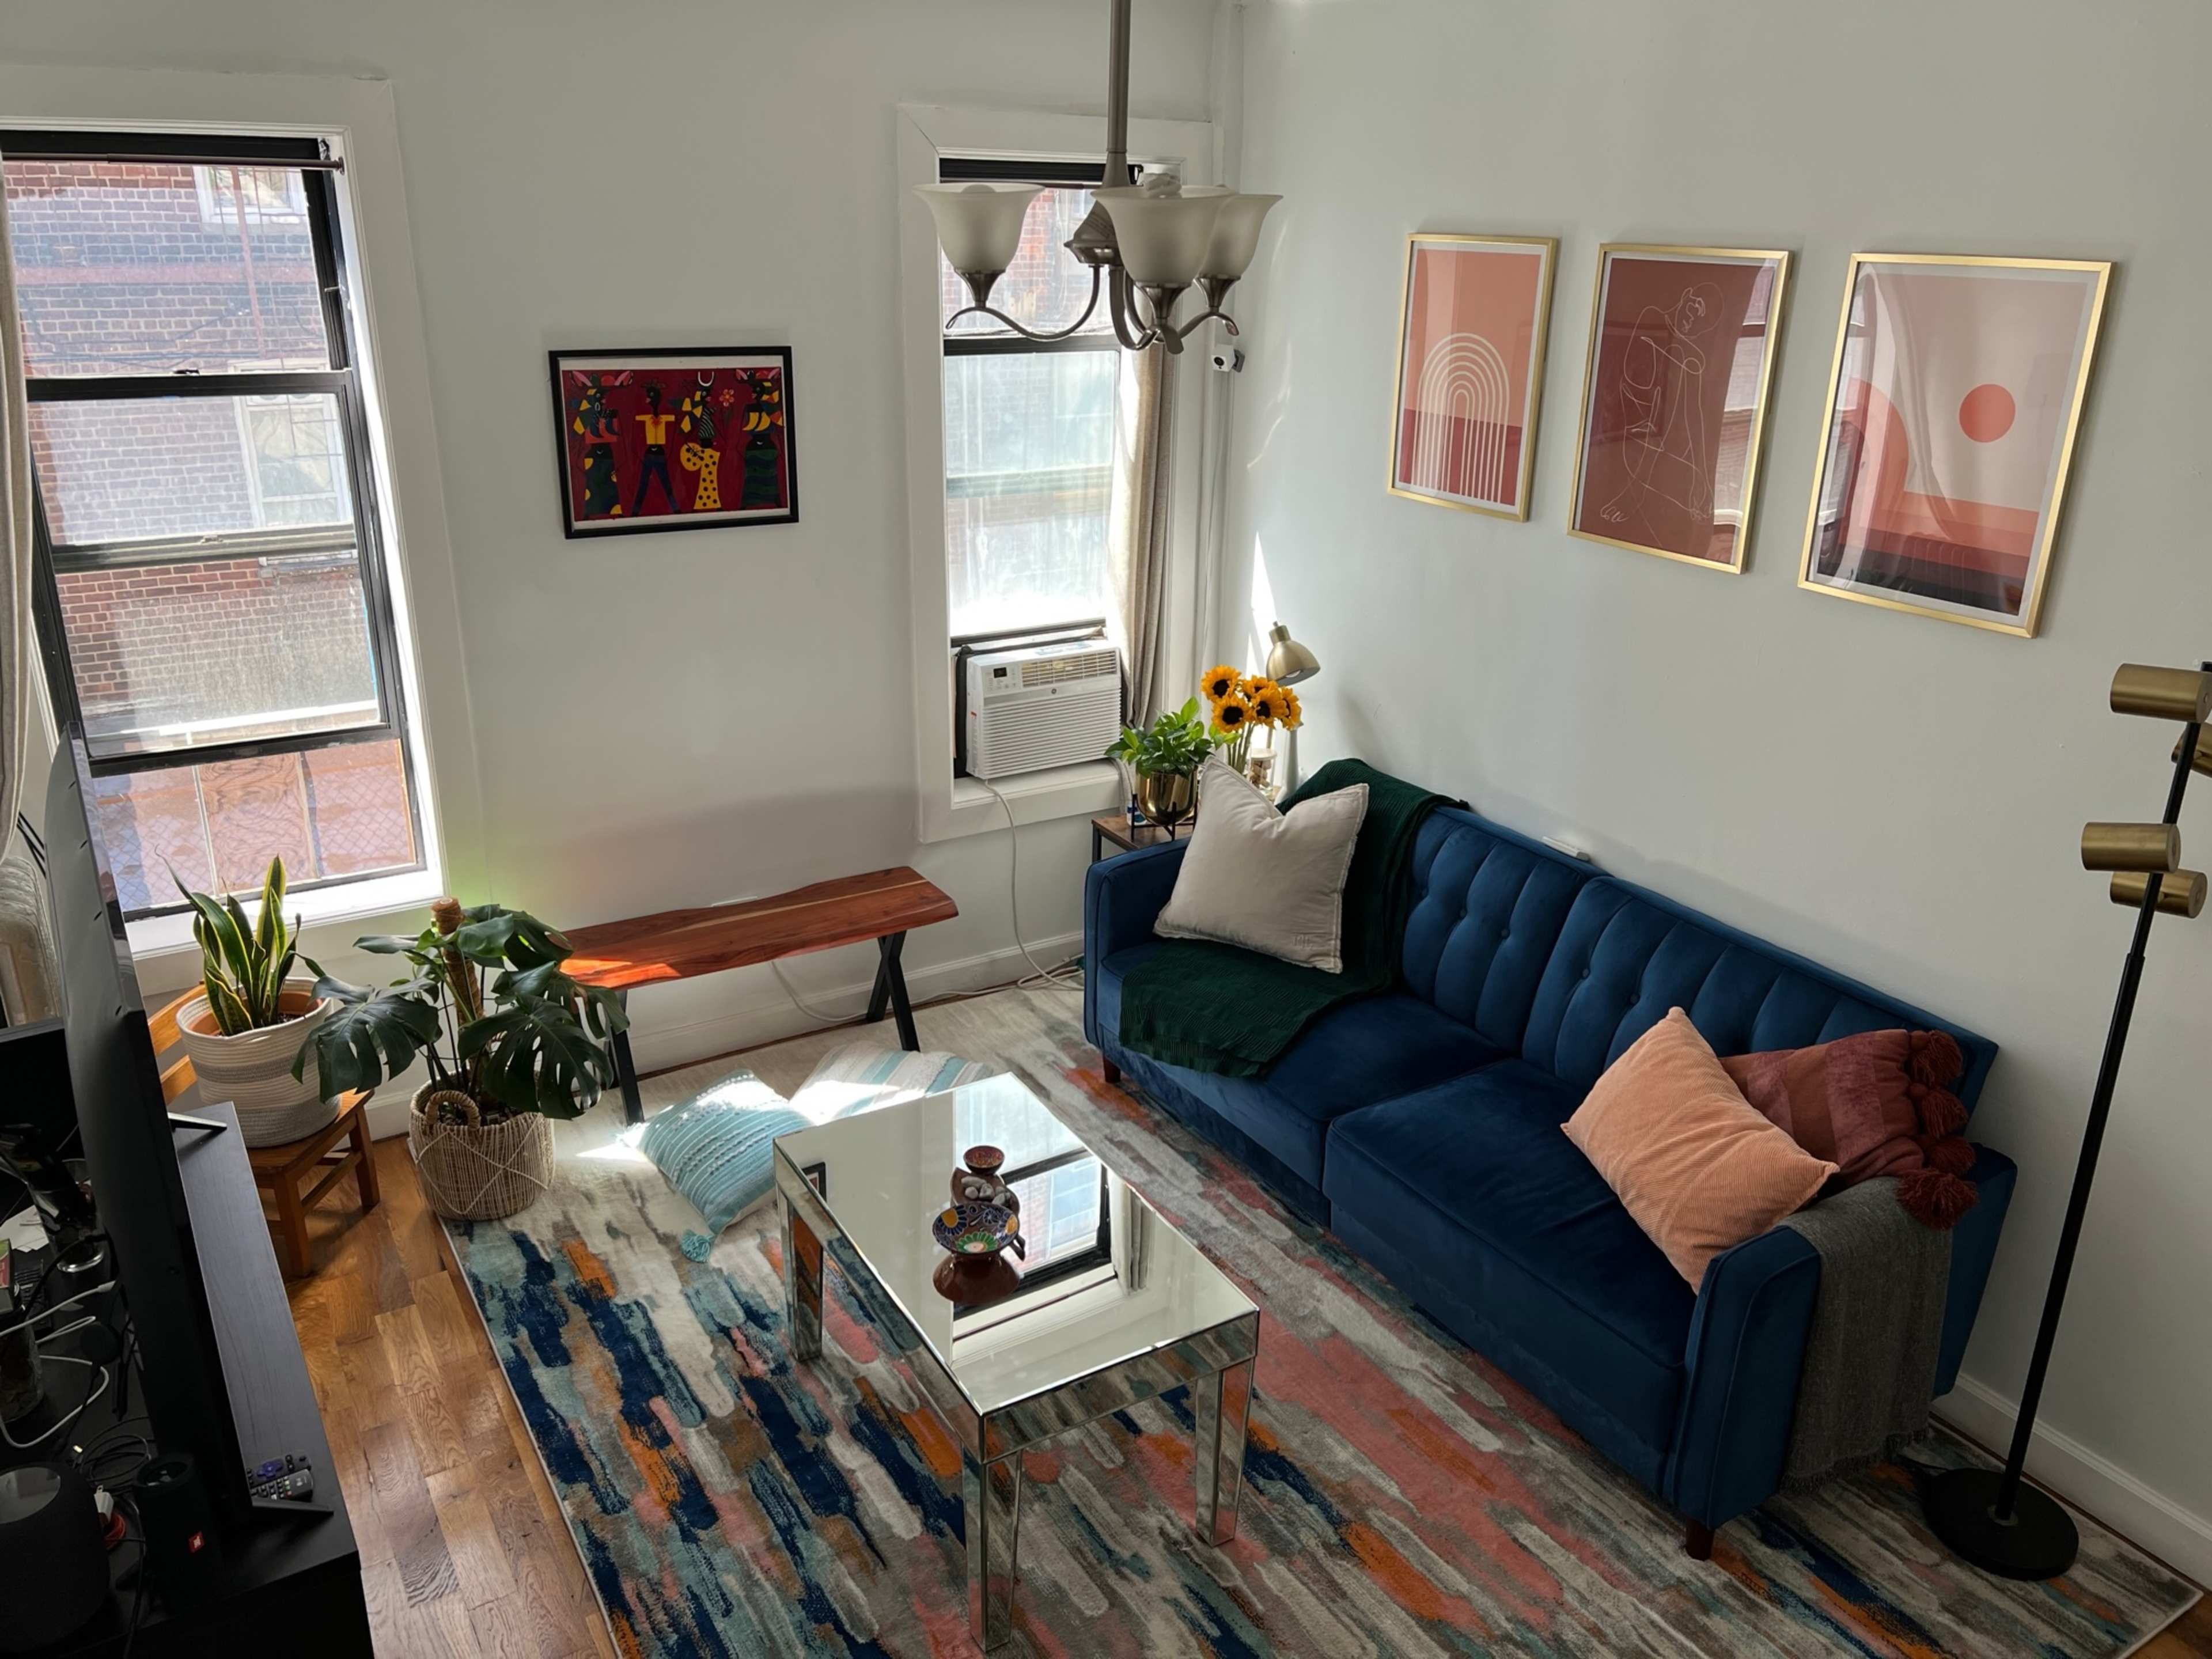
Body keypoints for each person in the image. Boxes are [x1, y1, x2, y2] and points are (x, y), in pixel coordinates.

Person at [632, 382, 677, 513]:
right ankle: (635, 511)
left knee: (666, 483)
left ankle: (676, 509)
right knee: (644, 483)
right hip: (649, 453)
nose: (646, 400)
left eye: (649, 398)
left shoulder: (663, 418)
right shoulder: (647, 418)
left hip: (660, 452)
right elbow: (635, 426)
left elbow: (674, 422)